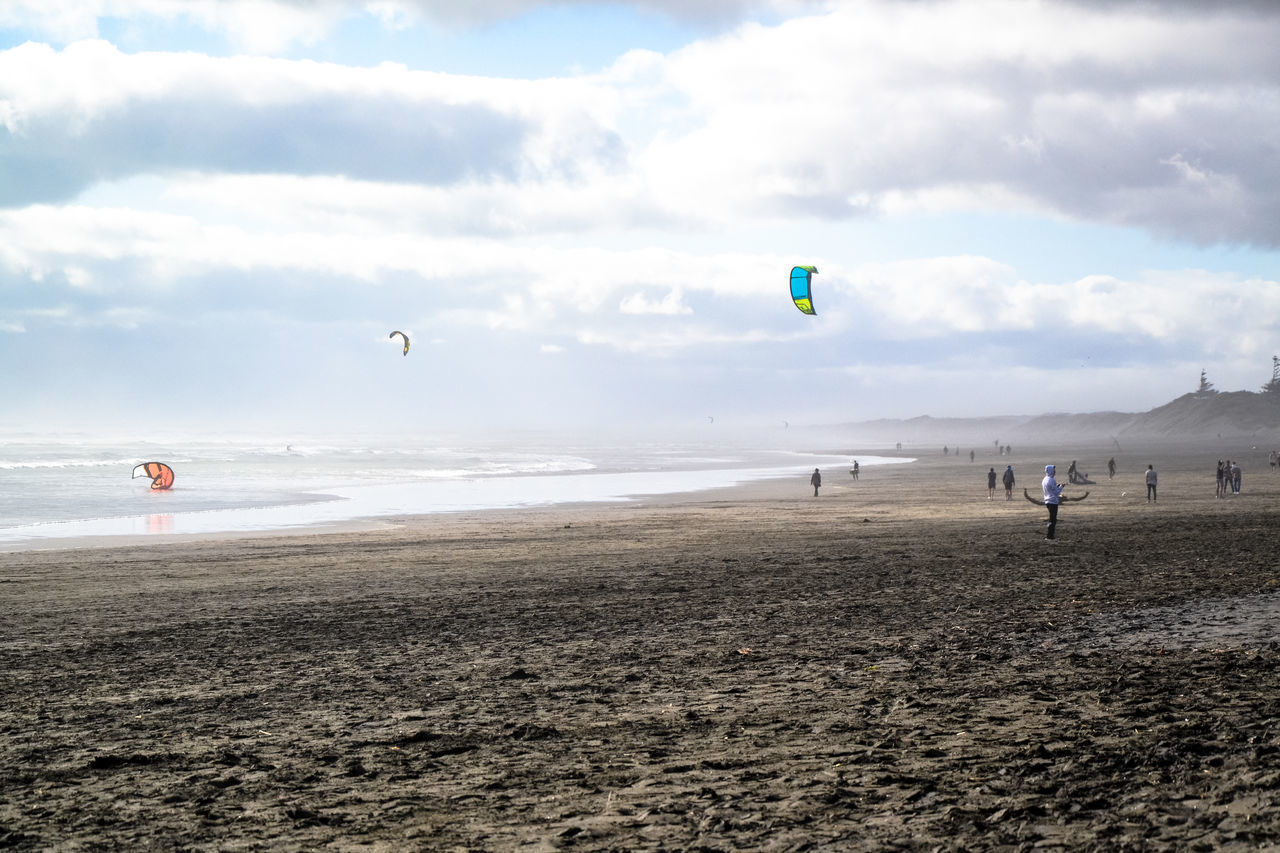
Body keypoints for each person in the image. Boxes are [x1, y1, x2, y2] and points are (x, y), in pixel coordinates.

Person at [1042, 464, 1064, 540]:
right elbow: (1056, 492)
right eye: (1054, 470)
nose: (1055, 472)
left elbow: (1051, 489)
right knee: (1053, 520)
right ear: (1051, 471)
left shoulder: (1045, 479)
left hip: (1047, 501)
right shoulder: (1051, 480)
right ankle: (1050, 536)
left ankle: (1050, 535)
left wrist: (1057, 486)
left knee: (1052, 519)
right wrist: (1061, 487)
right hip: (1053, 501)